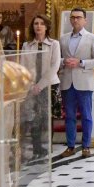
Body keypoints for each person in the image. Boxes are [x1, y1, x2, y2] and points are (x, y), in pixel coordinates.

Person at [59, 8, 94, 158]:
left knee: (86, 115)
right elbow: (56, 60)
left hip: (84, 81)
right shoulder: (63, 39)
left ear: (85, 20)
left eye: (79, 17)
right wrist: (63, 61)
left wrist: (81, 62)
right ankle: (70, 145)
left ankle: (86, 146)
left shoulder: (92, 38)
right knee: (70, 115)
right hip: (67, 80)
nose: (75, 20)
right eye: (73, 17)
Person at [21, 14, 61, 160]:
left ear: (46, 27)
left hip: (49, 84)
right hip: (31, 86)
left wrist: (41, 85)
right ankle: (37, 146)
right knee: (33, 116)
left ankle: (46, 145)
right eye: (36, 23)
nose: (38, 26)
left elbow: (55, 66)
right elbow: (23, 66)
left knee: (46, 116)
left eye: (41, 23)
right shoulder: (27, 45)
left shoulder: (54, 44)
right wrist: (31, 85)